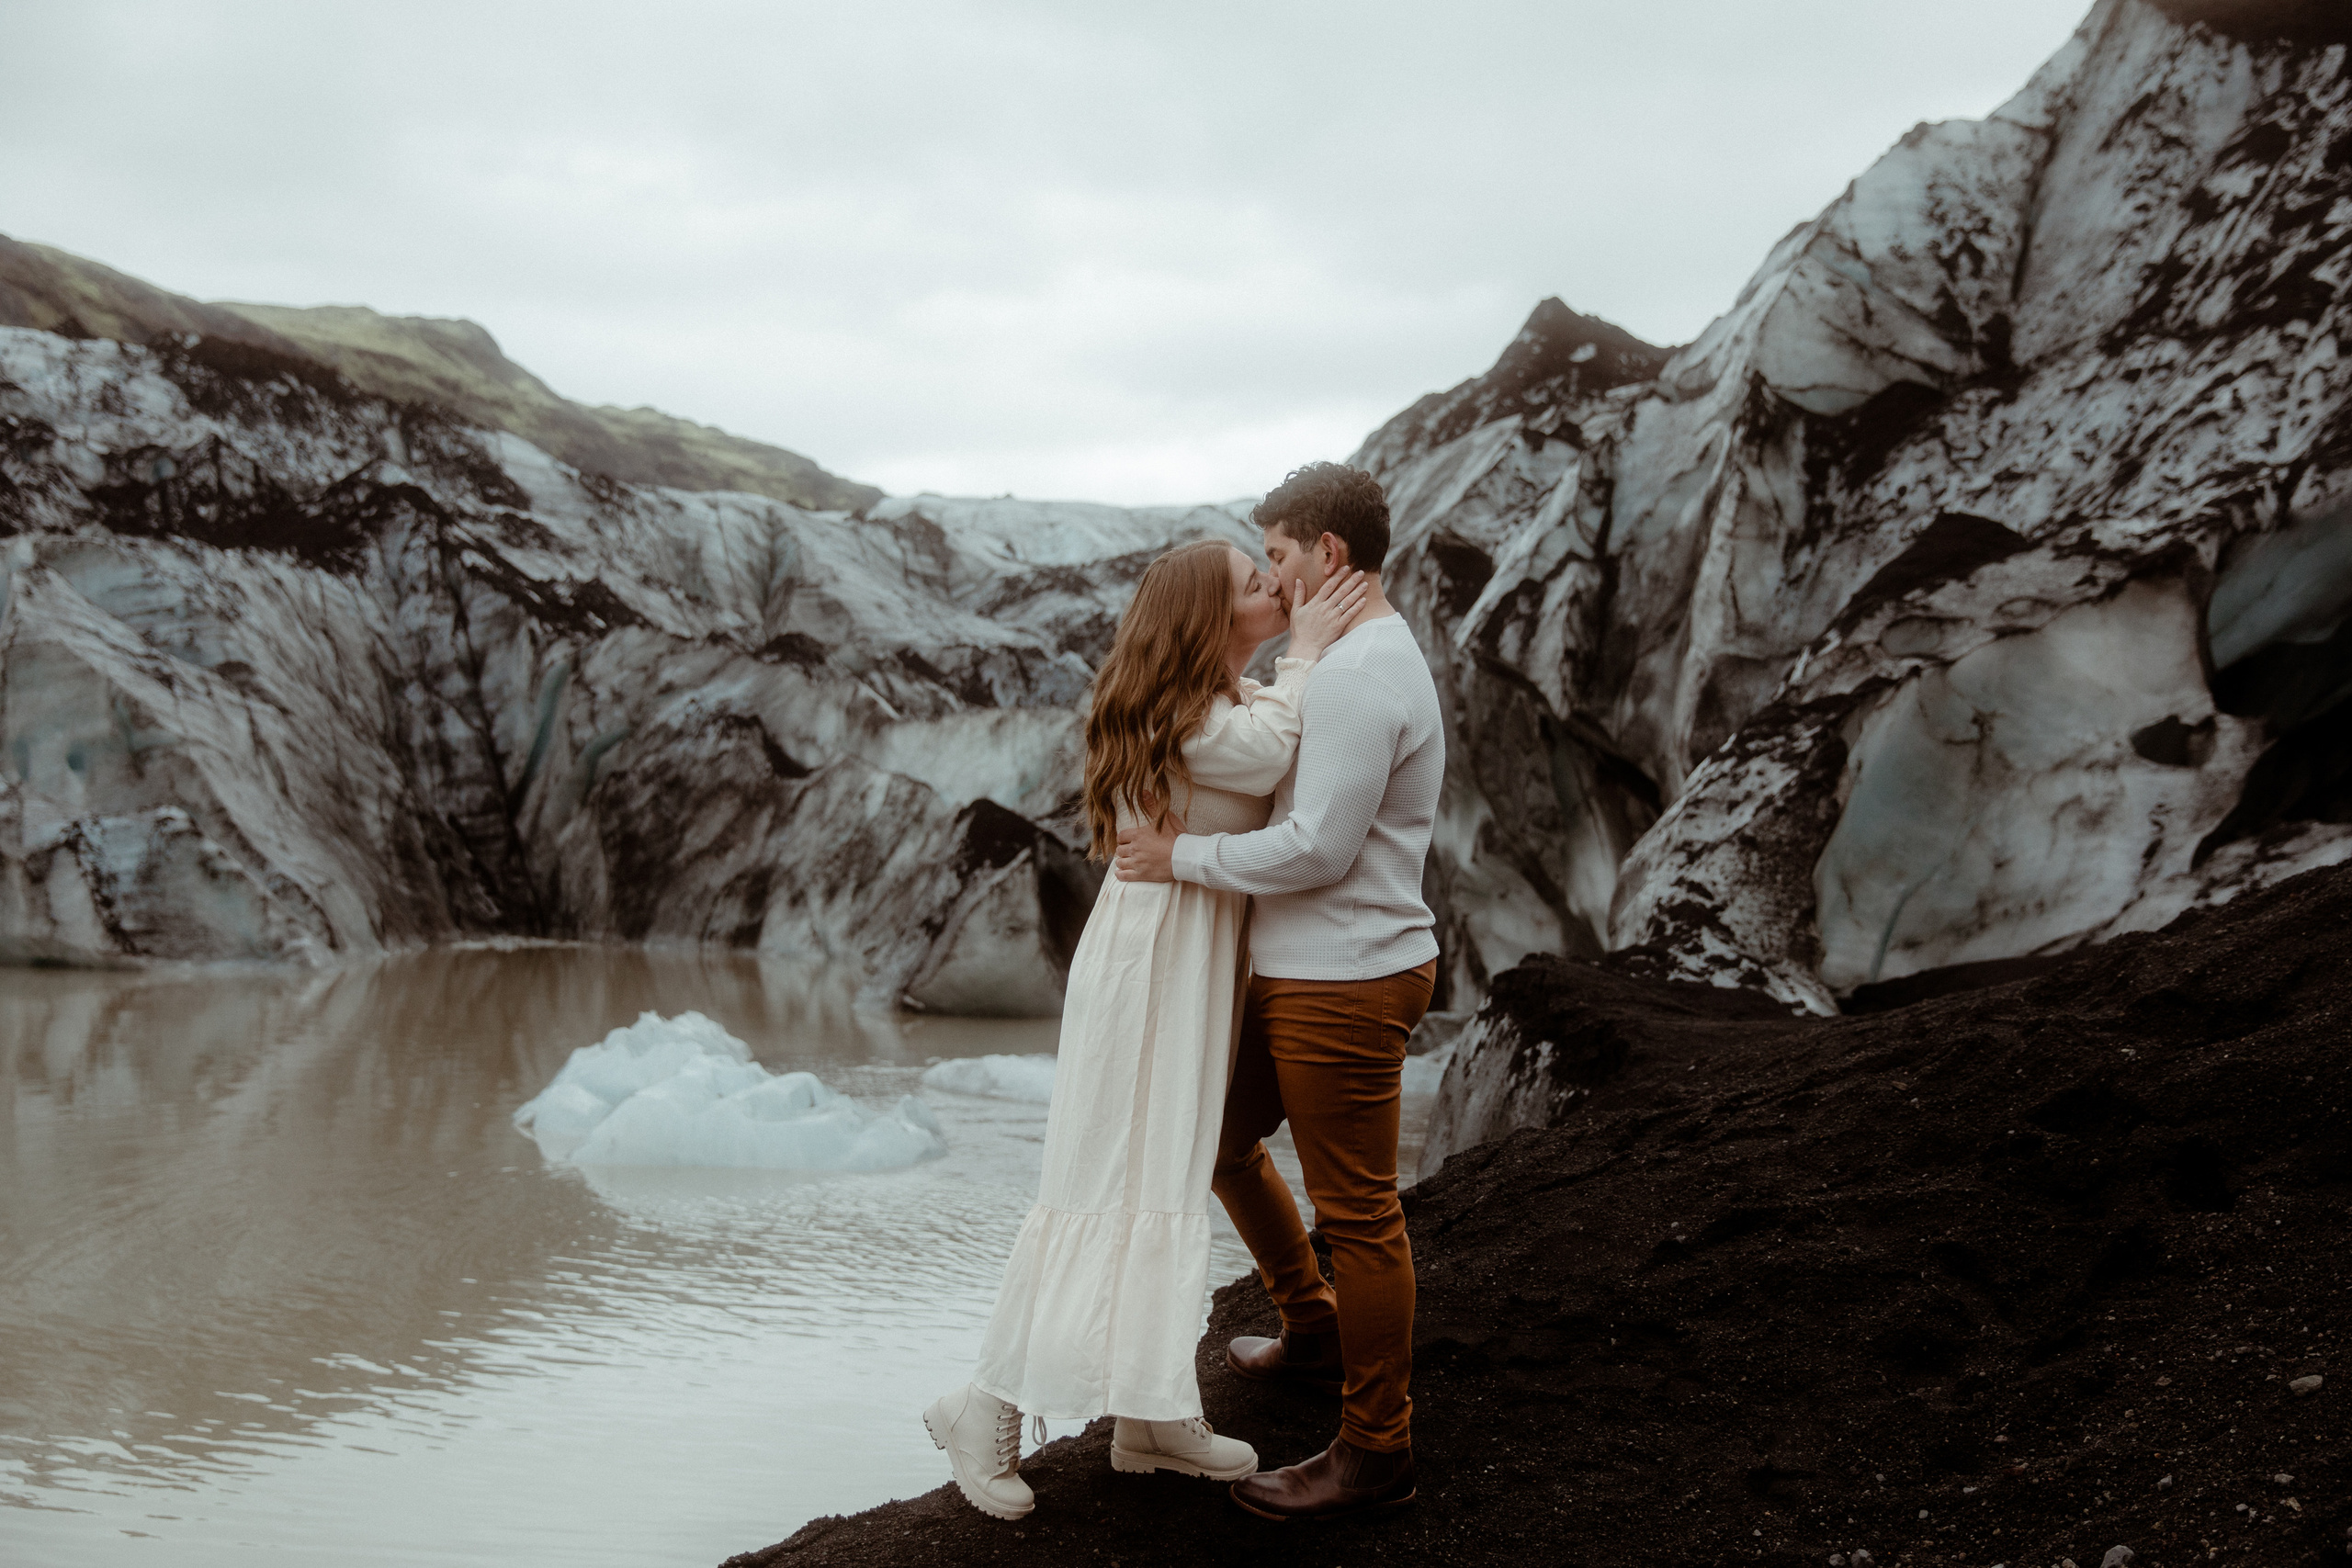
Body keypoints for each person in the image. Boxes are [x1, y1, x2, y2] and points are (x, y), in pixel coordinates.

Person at [922, 536, 1370, 1521]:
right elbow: (1271, 750)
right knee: (1103, 1180)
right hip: (1150, 970)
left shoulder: (1220, 699)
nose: (1274, 589)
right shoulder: (1191, 713)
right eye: (1256, 585)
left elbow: (1263, 739)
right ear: (1207, 620)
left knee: (1163, 1174)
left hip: (1187, 961)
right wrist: (1307, 648)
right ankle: (983, 1407)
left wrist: (1289, 660)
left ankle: (1152, 1414)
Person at [1114, 461, 1442, 1524]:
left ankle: (1374, 1446)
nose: (1272, 576)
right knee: (1216, 1138)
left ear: (1328, 557)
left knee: (1360, 1211)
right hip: (1302, 972)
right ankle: (1309, 1320)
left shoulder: (1357, 674)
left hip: (1345, 976)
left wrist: (1183, 860)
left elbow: (1317, 849)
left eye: (1281, 557)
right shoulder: (1340, 662)